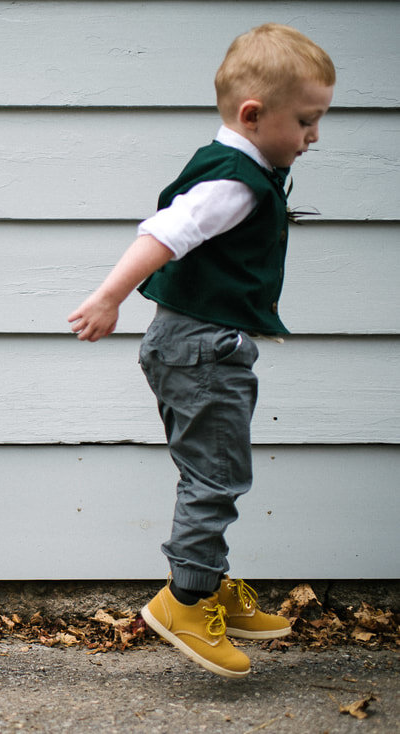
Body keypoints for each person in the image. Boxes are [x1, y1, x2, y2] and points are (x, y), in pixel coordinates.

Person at [67, 23, 335, 679]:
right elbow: (164, 233)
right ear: (254, 114)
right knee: (216, 478)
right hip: (202, 351)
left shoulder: (244, 172)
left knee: (213, 470)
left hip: (196, 345)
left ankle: (208, 583)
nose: (313, 137)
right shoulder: (234, 184)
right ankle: (186, 601)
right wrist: (109, 297)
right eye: (305, 121)